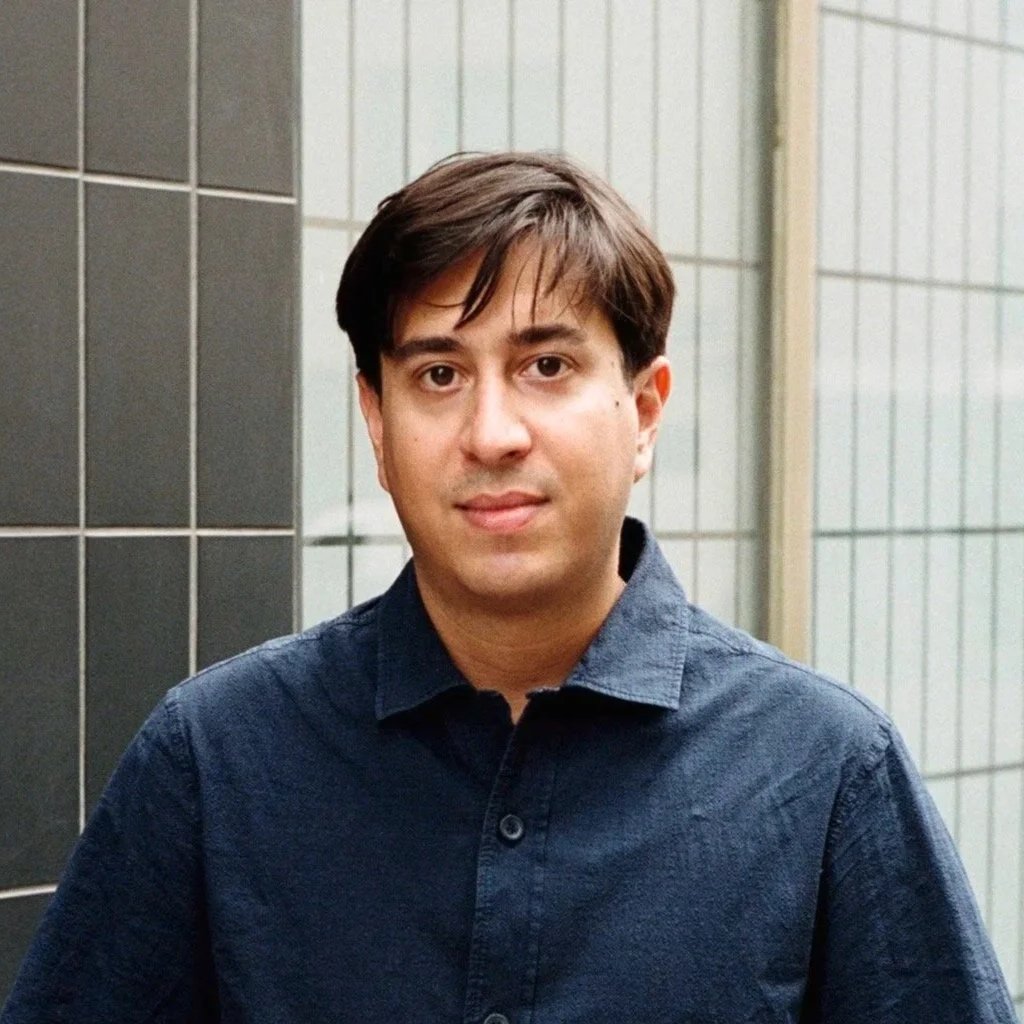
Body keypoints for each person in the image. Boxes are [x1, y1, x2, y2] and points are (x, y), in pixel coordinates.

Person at [1, 152, 1015, 1023]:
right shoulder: (217, 758)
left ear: (644, 411)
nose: (491, 433)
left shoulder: (825, 768)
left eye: (547, 365)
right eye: (439, 375)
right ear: (376, 422)